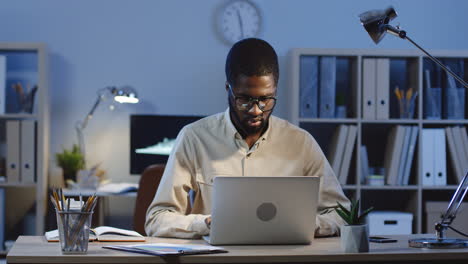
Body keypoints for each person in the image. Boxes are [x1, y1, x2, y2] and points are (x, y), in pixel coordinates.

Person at [145, 38, 350, 238]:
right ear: (228, 89)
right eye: (244, 99)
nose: (255, 110)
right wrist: (206, 223)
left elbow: (343, 215)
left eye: (265, 99)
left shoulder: (301, 142)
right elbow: (157, 219)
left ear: (275, 89)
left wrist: (306, 224)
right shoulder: (194, 138)